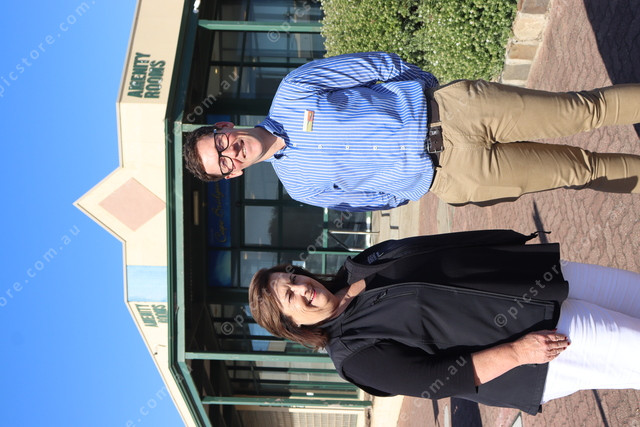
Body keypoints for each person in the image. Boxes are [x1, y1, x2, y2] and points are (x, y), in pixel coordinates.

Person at [183, 51, 640, 212]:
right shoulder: (301, 188)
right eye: (223, 163)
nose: (231, 152)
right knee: (579, 171)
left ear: (225, 126)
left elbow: (378, 65)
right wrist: (422, 182)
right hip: (455, 174)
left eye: (220, 143)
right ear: (232, 175)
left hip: (456, 112)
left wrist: (430, 93)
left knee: (583, 109)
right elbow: (378, 200)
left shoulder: (294, 90)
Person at [248, 229, 640, 414]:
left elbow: (439, 249)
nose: (301, 289)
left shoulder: (357, 267)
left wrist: (508, 245)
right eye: (289, 297)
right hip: (538, 338)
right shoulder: (353, 355)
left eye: (293, 280)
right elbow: (436, 380)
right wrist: (519, 352)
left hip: (540, 278)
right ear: (292, 325)